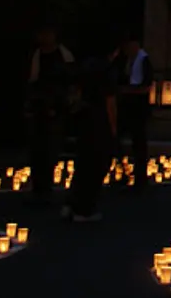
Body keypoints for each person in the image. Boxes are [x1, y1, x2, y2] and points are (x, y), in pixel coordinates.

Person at [26, 25, 74, 206]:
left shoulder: (63, 55)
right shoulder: (36, 55)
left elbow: (69, 81)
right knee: (36, 149)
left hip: (56, 108)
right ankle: (37, 187)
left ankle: (46, 188)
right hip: (39, 107)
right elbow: (31, 79)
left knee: (50, 148)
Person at [64, 56, 116, 223]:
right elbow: (110, 104)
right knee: (96, 166)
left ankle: (72, 204)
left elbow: (74, 98)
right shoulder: (105, 74)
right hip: (98, 124)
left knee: (83, 164)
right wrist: (113, 130)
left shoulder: (83, 73)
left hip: (85, 123)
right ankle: (84, 209)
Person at [111, 33, 153, 191]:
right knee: (118, 141)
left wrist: (127, 90)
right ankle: (122, 172)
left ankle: (140, 178)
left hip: (138, 107)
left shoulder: (144, 61)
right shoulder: (123, 61)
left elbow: (147, 86)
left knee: (139, 143)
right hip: (124, 107)